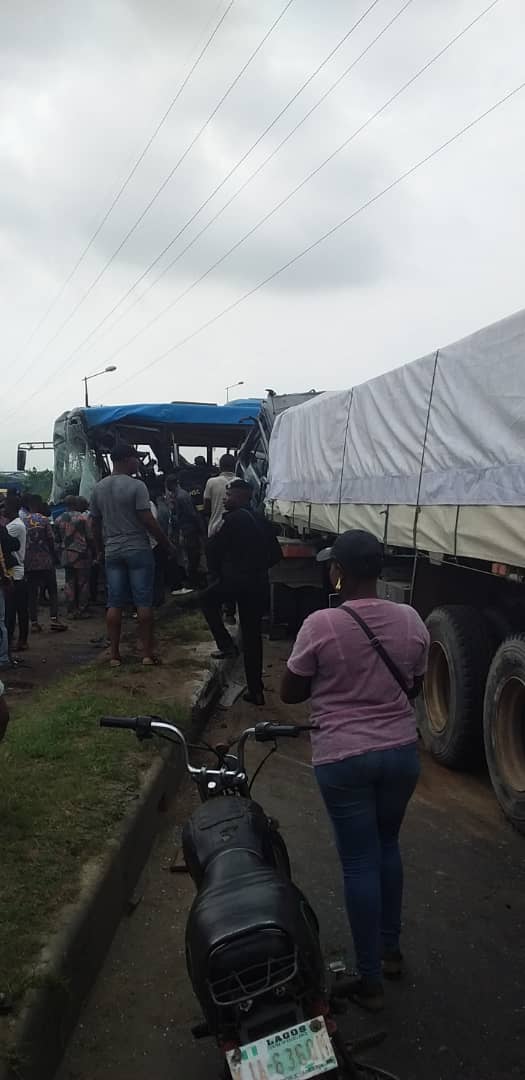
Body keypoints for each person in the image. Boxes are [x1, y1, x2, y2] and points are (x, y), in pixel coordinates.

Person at [280, 530, 429, 1012]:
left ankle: (368, 977)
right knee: (388, 845)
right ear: (380, 571)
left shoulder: (321, 624)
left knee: (359, 861)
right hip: (401, 753)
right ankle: (389, 949)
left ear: (338, 571)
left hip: (343, 758)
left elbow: (291, 692)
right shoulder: (410, 619)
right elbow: (418, 682)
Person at [90, 443, 174, 667]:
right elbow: (148, 520)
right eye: (135, 458)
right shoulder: (137, 486)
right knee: (143, 602)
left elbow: (94, 524)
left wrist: (100, 549)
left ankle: (115, 655)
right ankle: (147, 654)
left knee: (114, 602)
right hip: (137, 548)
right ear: (127, 459)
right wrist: (166, 543)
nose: (137, 462)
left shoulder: (98, 488)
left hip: (112, 550)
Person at [201, 478, 268, 705]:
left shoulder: (232, 520)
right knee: (252, 637)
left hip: (236, 581)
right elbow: (275, 554)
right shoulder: (260, 518)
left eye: (229, 496)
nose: (226, 499)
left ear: (242, 497)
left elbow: (213, 550)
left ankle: (227, 646)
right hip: (257, 583)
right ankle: (256, 690)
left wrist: (226, 571)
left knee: (206, 600)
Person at [23, 495, 66, 634]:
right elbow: (51, 540)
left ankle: (34, 623)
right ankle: (54, 619)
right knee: (52, 590)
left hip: (29, 562)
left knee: (32, 593)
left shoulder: (22, 521)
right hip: (46, 561)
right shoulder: (44, 520)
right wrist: (55, 557)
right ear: (38, 505)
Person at [55, 496, 96, 617]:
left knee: (69, 582)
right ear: (76, 504)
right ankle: (82, 609)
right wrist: (95, 551)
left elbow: (57, 539)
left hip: (66, 554)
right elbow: (90, 537)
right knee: (83, 582)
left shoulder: (58, 519)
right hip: (81, 554)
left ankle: (71, 610)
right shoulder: (83, 518)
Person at [165, 474, 203, 591]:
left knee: (192, 555)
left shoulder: (181, 496)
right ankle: (193, 580)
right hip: (186, 529)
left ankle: (194, 581)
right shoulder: (179, 495)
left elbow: (192, 514)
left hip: (189, 529)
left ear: (172, 484)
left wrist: (200, 529)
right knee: (190, 555)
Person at [4, 495, 29, 652]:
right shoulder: (16, 524)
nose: (3, 509)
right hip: (17, 570)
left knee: (12, 610)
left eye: (5, 506)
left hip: (15, 572)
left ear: (12, 508)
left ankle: (15, 640)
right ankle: (21, 640)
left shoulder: (14, 526)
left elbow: (4, 542)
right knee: (20, 609)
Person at [203, 453, 236, 537]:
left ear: (220, 467)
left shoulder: (211, 482)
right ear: (234, 466)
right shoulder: (241, 482)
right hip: (235, 531)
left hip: (215, 530)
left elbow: (206, 508)